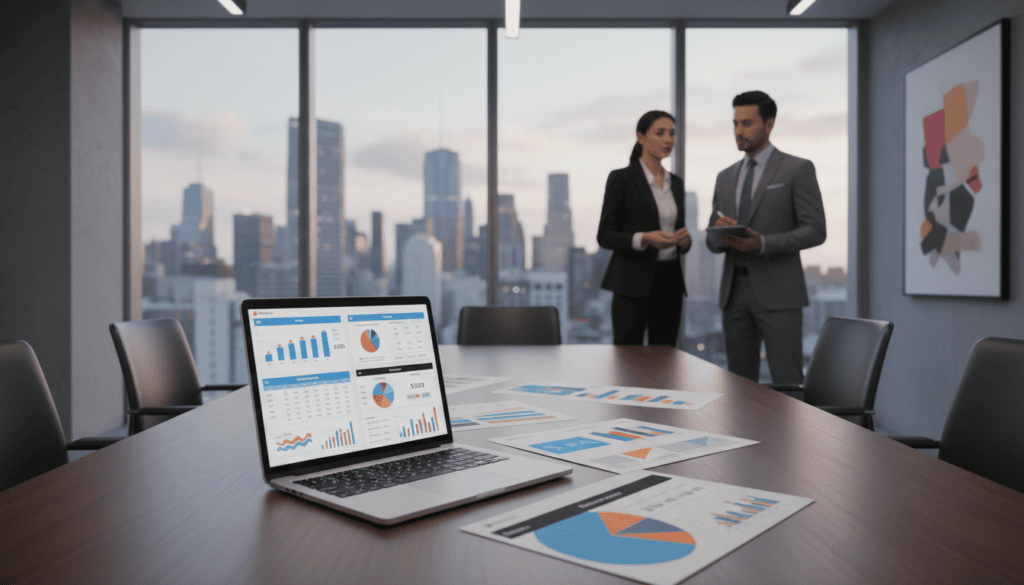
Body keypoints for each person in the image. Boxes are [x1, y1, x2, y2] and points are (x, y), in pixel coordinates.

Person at [706, 90, 826, 384]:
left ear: (769, 124)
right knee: (738, 386)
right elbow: (710, 240)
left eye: (747, 124)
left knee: (787, 382)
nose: (738, 131)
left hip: (780, 293)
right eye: (735, 124)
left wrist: (763, 244)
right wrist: (721, 232)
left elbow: (816, 229)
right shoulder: (725, 177)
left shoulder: (797, 169)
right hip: (733, 294)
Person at [597, 110, 691, 346]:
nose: (668, 140)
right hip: (631, 283)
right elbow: (605, 236)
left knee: (666, 357)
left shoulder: (676, 184)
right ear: (640, 137)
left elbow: (678, 230)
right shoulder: (621, 179)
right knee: (629, 359)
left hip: (670, 282)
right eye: (660, 133)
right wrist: (645, 239)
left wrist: (685, 240)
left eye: (672, 134)